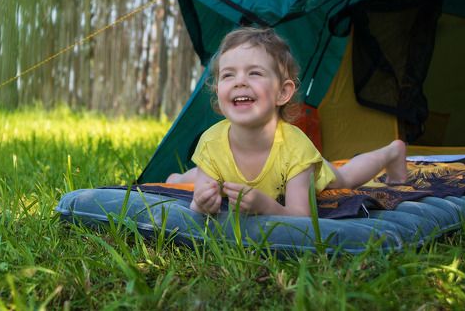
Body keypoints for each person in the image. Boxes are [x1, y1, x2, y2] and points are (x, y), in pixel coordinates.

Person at [167, 27, 407, 216]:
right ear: (218, 91)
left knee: (344, 178)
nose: (240, 82)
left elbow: (300, 216)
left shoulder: (296, 149)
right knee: (205, 175)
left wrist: (266, 206)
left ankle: (390, 152)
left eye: (254, 73)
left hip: (298, 171)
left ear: (282, 93)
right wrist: (201, 204)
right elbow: (198, 204)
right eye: (229, 74)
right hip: (228, 171)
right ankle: (176, 179)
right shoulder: (211, 142)